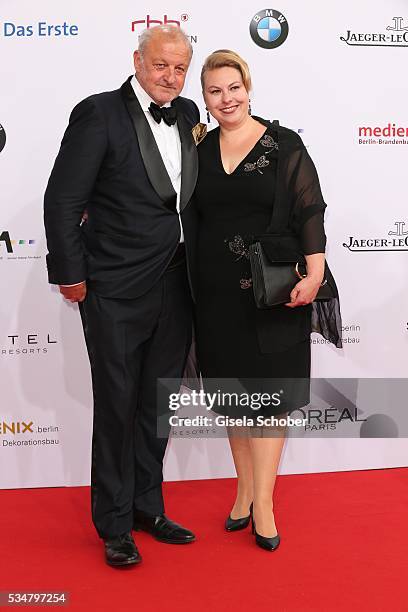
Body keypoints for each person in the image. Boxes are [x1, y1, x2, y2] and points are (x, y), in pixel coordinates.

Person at [44, 25, 200, 567]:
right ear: (137, 60)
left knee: (157, 405)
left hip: (177, 283)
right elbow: (63, 198)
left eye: (180, 68)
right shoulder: (99, 113)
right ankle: (112, 523)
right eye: (161, 65)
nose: (171, 77)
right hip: (113, 286)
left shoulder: (185, 116)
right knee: (116, 405)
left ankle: (146, 507)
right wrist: (70, 272)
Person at [187, 50, 342, 552]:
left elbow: (310, 210)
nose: (226, 98)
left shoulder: (283, 144)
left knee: (270, 402)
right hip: (215, 298)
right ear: (205, 99)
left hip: (274, 293)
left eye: (233, 87)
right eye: (215, 90)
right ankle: (244, 492)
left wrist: (314, 273)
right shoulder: (200, 151)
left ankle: (266, 505)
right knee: (235, 400)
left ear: (247, 88)